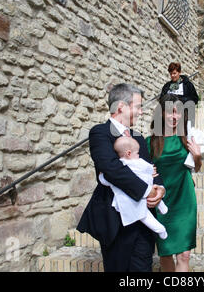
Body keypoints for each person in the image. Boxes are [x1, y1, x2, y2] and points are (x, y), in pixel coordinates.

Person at [76, 83, 166, 272]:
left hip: (144, 221)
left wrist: (159, 189)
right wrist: (146, 190)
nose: (141, 113)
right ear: (121, 107)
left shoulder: (139, 138)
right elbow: (111, 168)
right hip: (116, 224)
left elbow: (151, 170)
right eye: (138, 107)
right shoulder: (100, 133)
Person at [146, 94, 202, 272]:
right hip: (162, 201)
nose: (174, 116)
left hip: (185, 198)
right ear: (162, 113)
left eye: (178, 113)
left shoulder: (187, 138)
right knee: (166, 252)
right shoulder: (151, 142)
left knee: (184, 254)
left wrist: (197, 156)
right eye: (170, 112)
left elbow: (196, 168)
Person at [99, 136, 169, 240]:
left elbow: (106, 181)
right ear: (128, 153)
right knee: (147, 209)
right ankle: (162, 216)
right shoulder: (137, 162)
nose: (139, 155)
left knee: (145, 216)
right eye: (137, 153)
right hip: (140, 194)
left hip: (133, 198)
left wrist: (101, 176)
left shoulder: (119, 165)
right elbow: (151, 168)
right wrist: (151, 172)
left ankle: (160, 227)